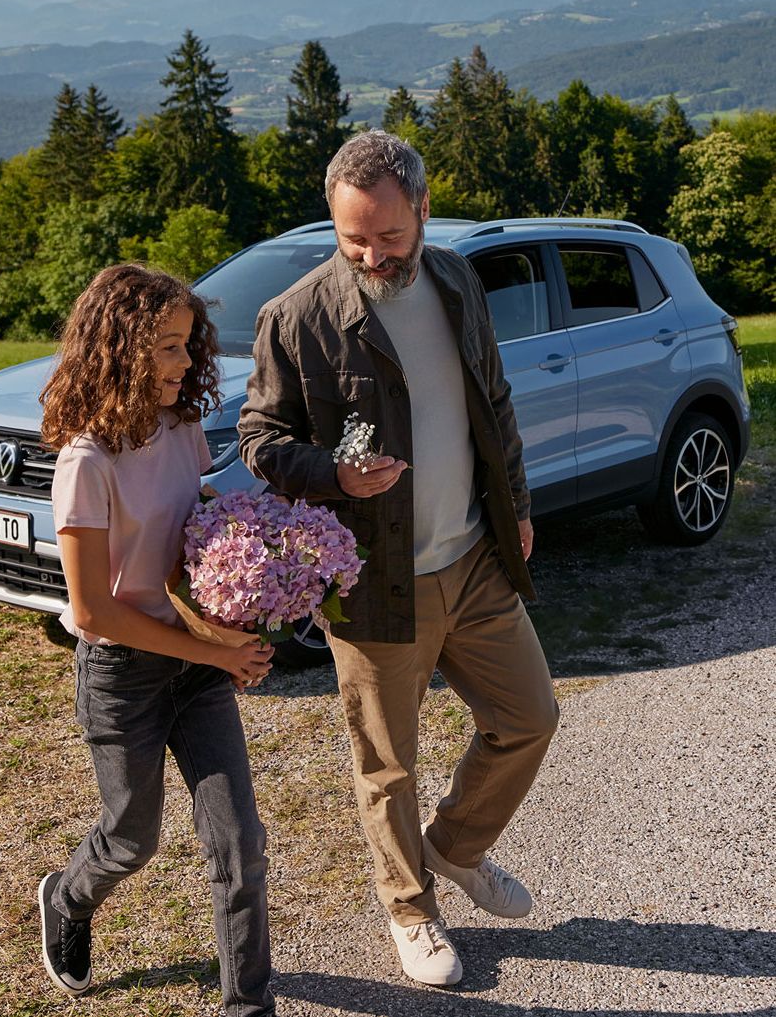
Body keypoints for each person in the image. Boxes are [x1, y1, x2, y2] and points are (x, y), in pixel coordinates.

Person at [238, 131, 558, 987]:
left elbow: (494, 399)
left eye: (388, 235)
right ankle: (409, 910)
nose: (373, 255)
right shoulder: (297, 316)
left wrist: (516, 505)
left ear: (421, 206)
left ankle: (454, 846)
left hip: (475, 555)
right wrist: (334, 473)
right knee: (388, 763)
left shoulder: (455, 278)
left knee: (530, 715)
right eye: (353, 240)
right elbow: (259, 440)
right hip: (374, 580)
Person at [38, 263, 275, 1015]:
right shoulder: (85, 462)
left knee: (240, 848)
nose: (185, 363)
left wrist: (253, 583)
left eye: (187, 345)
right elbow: (96, 610)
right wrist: (218, 651)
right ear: (119, 348)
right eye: (168, 347)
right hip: (123, 672)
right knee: (131, 839)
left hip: (195, 668)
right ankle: (69, 898)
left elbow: (191, 532)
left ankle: (250, 1006)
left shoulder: (181, 428)